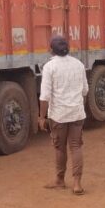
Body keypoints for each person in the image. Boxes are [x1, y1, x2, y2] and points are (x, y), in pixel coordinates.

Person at [38, 35, 89, 195]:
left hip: (58, 115)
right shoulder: (79, 64)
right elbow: (85, 91)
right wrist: (79, 106)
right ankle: (77, 184)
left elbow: (45, 96)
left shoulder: (49, 67)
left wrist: (41, 117)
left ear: (51, 50)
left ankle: (60, 180)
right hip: (77, 113)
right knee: (76, 146)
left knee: (60, 148)